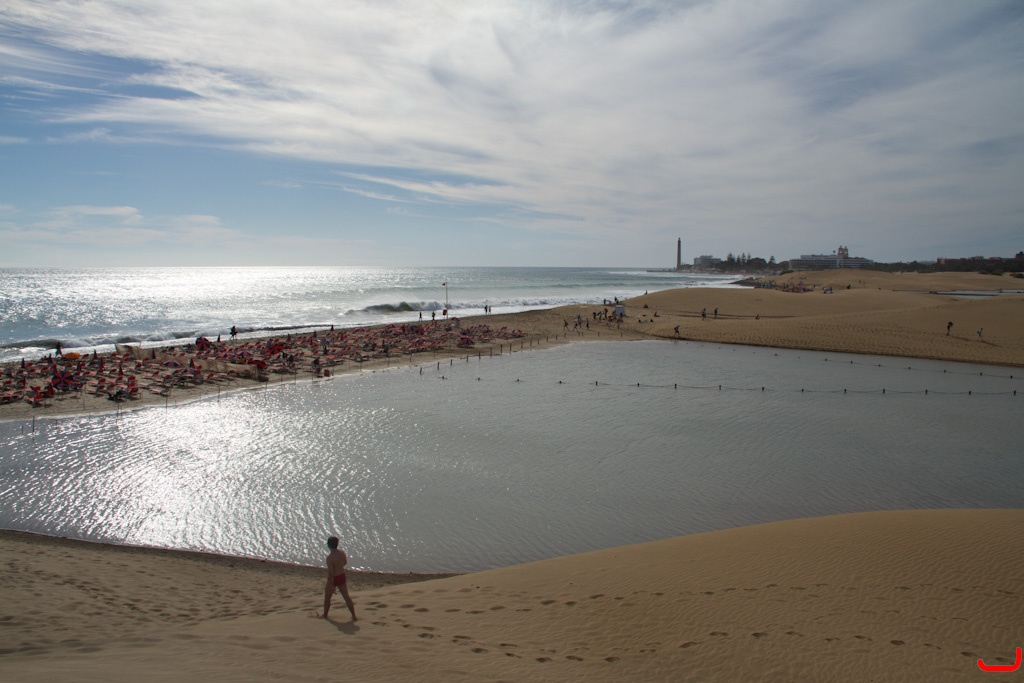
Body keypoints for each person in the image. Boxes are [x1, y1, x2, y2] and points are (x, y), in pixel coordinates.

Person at [321, 536, 357, 621]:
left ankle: (325, 614)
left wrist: (332, 584)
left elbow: (331, 572)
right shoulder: (342, 553)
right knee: (346, 597)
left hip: (334, 577)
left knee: (327, 597)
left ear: (329, 545)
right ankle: (354, 616)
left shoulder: (330, 557)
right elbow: (345, 562)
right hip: (341, 575)